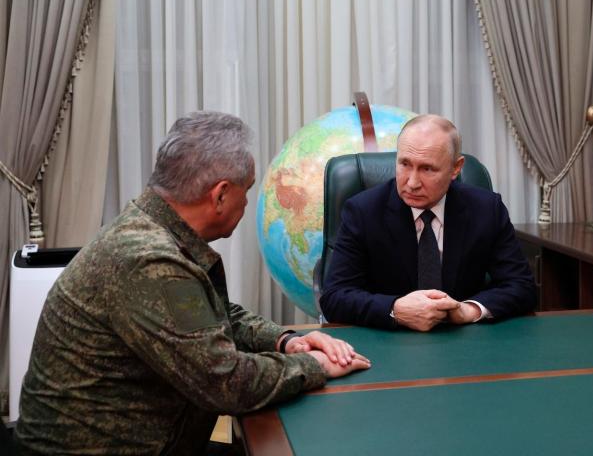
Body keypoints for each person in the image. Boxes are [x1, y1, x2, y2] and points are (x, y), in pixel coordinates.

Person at [15, 111, 371, 455]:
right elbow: (225, 382)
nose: (247, 202)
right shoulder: (149, 259)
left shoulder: (152, 226)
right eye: (245, 191)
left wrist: (286, 341)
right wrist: (315, 367)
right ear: (219, 195)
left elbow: (208, 314)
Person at [320, 114, 536, 331]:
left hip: (464, 341)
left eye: (427, 169)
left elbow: (522, 286)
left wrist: (467, 310)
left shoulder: (486, 209)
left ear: (456, 168)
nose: (412, 183)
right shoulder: (363, 211)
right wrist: (395, 309)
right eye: (405, 164)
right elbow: (335, 297)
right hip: (389, 342)